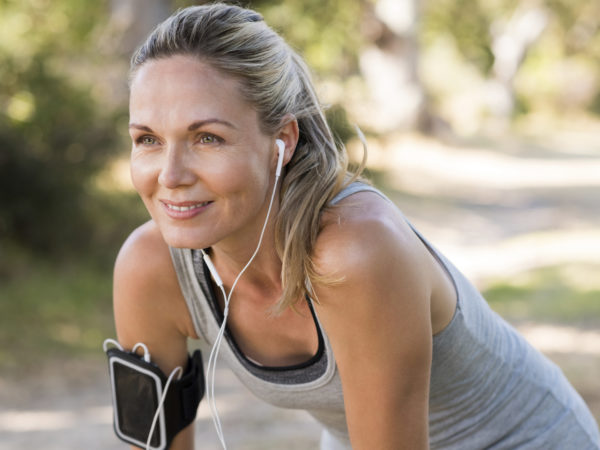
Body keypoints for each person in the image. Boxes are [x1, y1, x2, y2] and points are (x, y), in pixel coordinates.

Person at [112, 3, 600, 449]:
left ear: (281, 140)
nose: (170, 176)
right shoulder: (150, 269)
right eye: (148, 139)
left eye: (208, 138)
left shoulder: (355, 251)